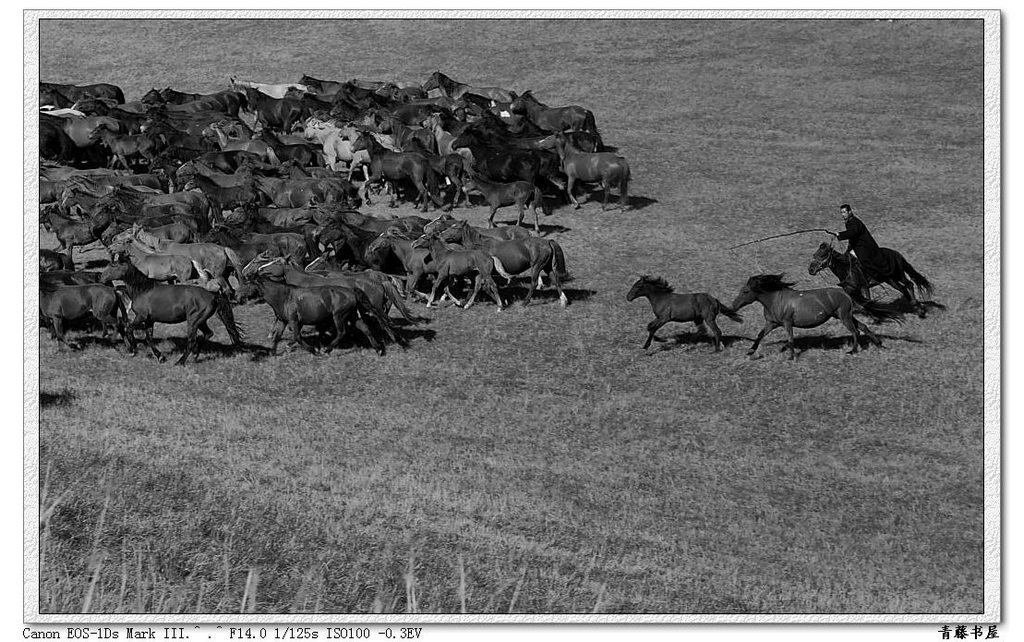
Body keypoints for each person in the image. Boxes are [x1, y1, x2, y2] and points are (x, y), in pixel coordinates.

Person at [835, 204, 889, 281]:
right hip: (858, 246)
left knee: (862, 259)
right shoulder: (849, 221)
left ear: (849, 212)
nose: (842, 215)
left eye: (844, 212)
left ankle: (871, 276)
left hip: (864, 246)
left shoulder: (853, 221)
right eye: (841, 213)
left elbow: (853, 232)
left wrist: (840, 235)